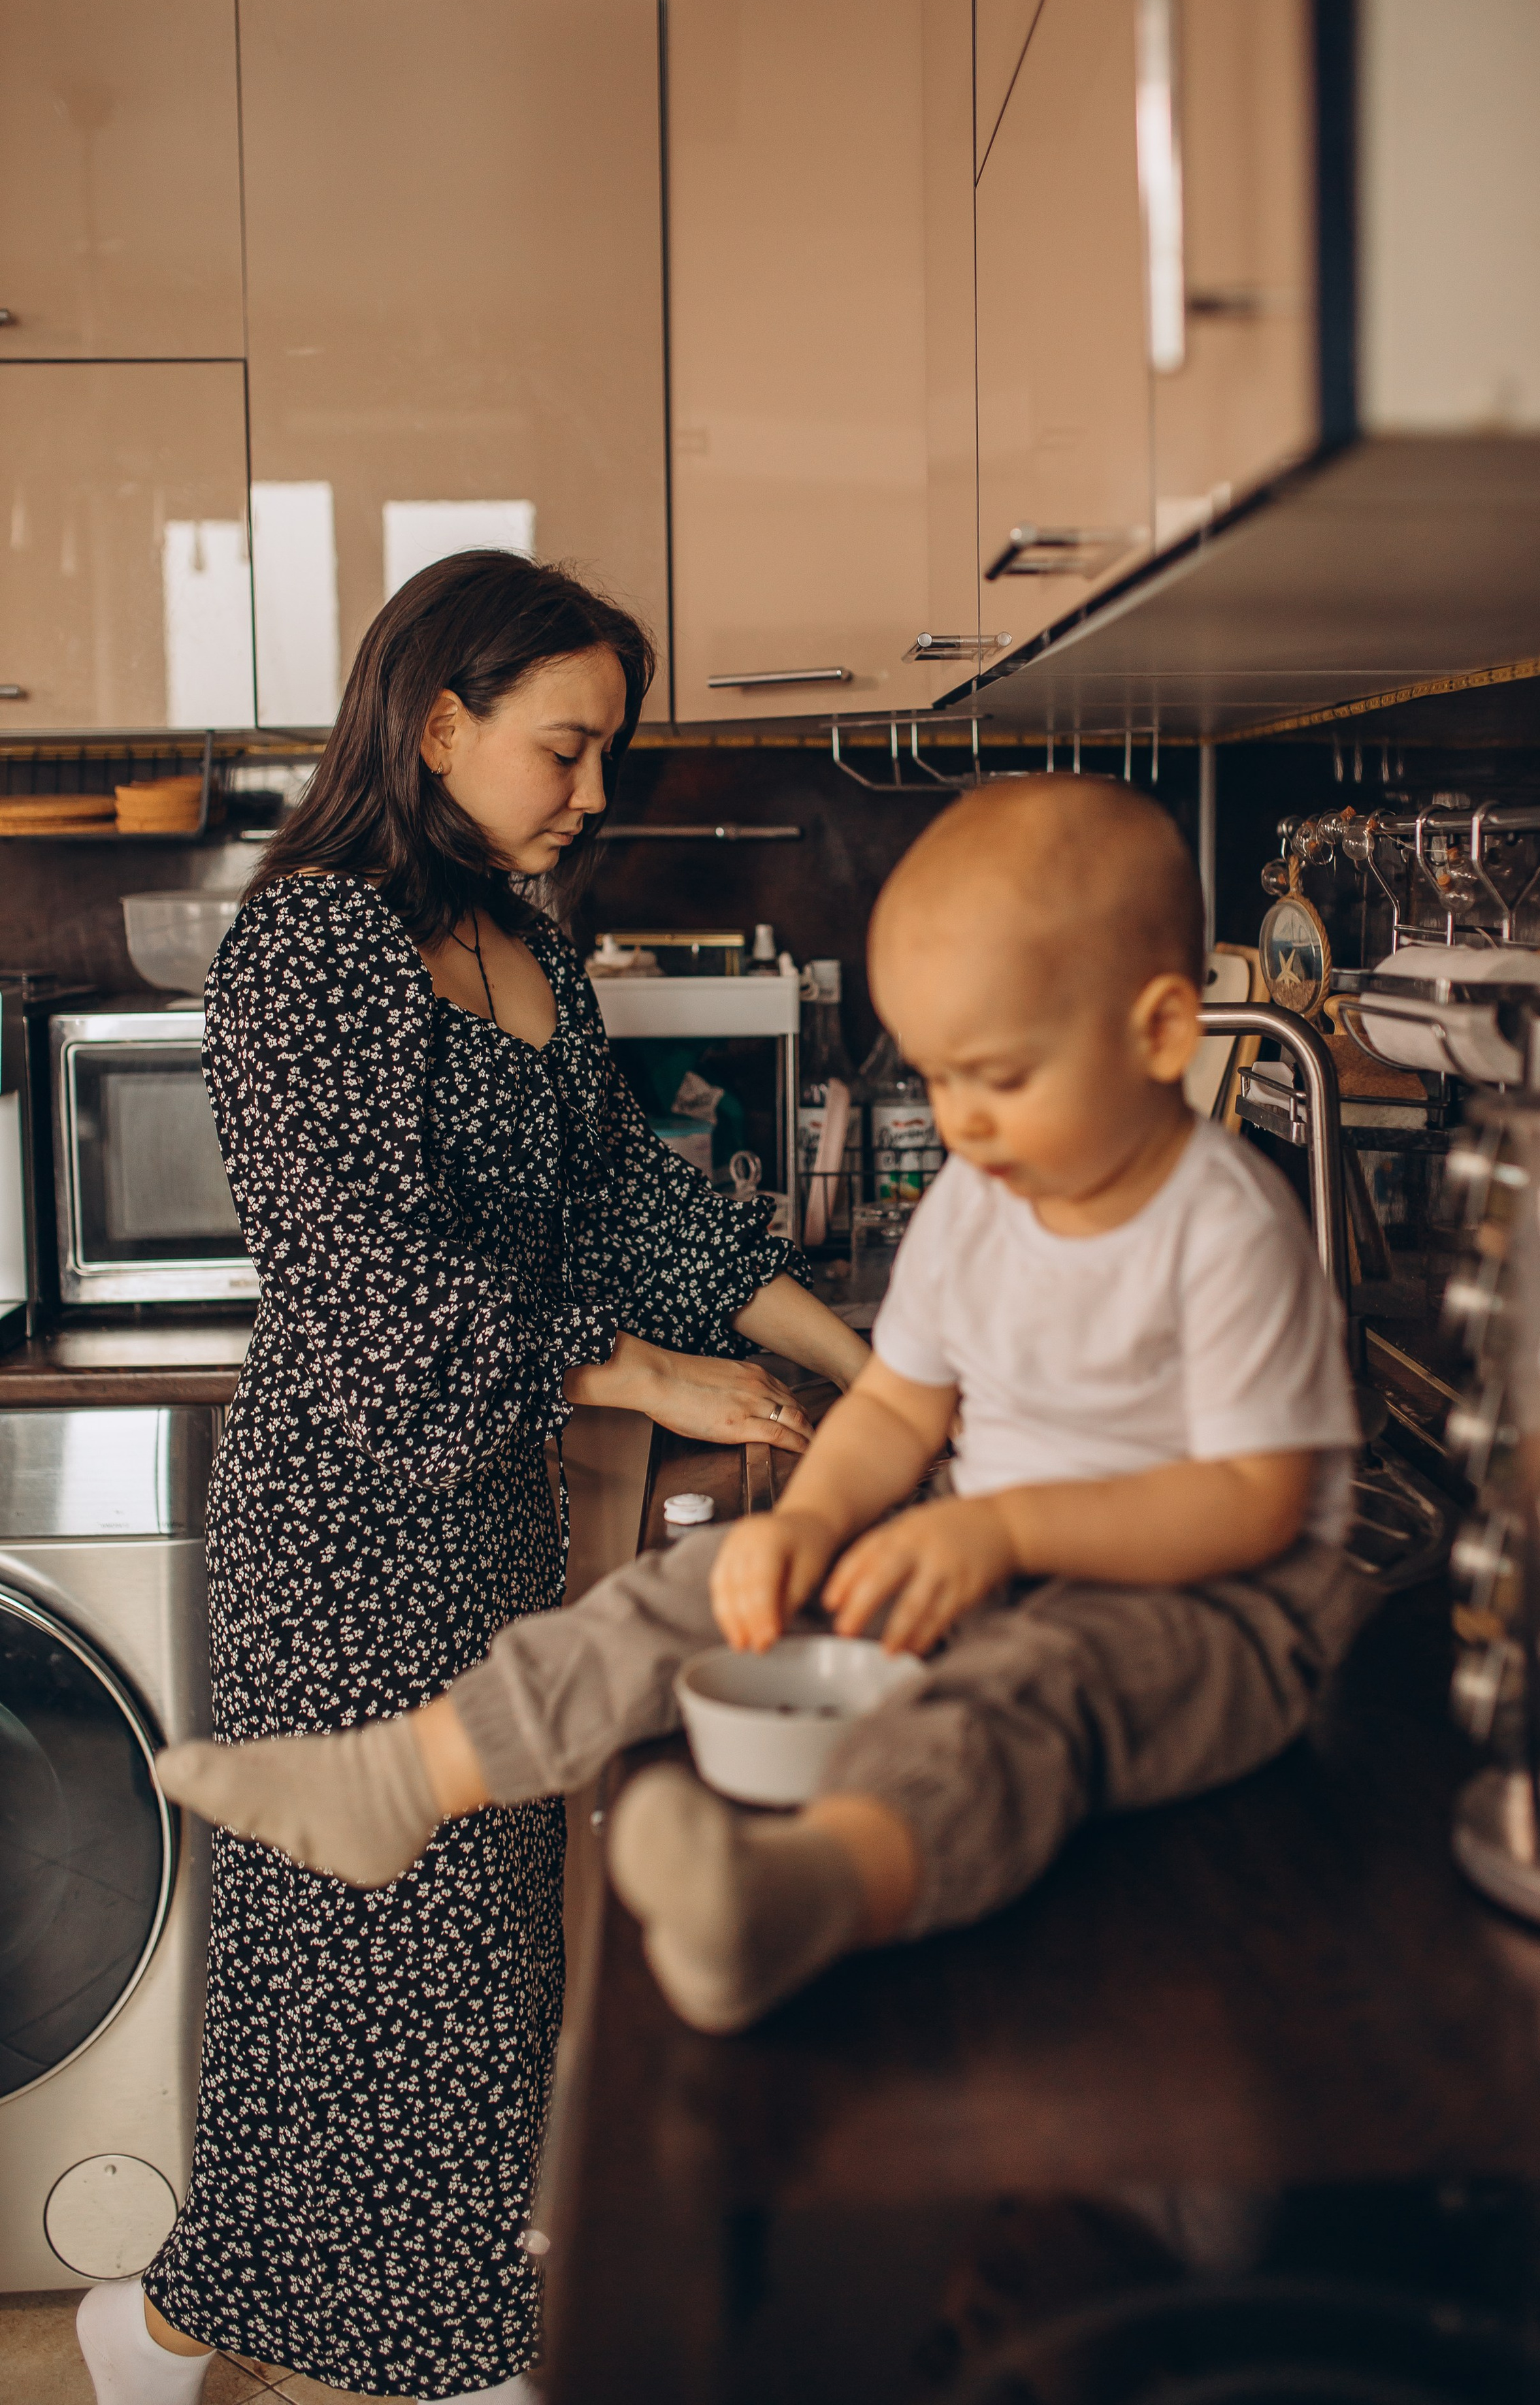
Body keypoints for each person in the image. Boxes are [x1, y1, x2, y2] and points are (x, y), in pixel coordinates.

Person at [157, 777, 1375, 2050]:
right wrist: (811, 1526)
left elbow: (1255, 1505)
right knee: (695, 1590)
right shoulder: (981, 1199)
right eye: (938, 1078)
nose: (960, 1122)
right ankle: (408, 1774)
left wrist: (1002, 1532)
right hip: (1002, 1557)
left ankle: (798, 1894)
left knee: (1021, 1699)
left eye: (1000, 1078)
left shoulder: (1224, 1227)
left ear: (1161, 1033)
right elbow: (897, 1405)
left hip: (1211, 1612)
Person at [82, 550, 866, 2405]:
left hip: (483, 1517)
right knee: (378, 1978)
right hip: (342, 1524)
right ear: (439, 726)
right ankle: (462, 2360)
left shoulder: (529, 946)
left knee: (467, 1967)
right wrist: (647, 1369)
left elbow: (623, 1200)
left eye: (607, 756)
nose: (593, 793)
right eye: (565, 749)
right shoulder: (312, 946)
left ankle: (171, 2328)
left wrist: (862, 1363)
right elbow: (363, 1277)